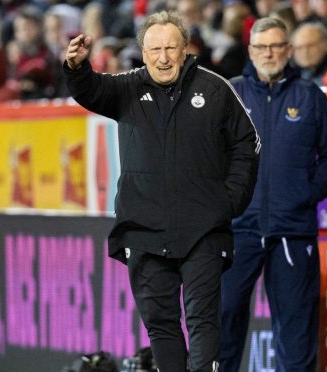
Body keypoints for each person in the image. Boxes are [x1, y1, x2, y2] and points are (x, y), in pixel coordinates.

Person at [63, 10, 260, 372]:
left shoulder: (215, 89)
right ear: (142, 50)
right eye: (155, 49)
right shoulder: (127, 87)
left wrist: (229, 200)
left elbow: (247, 145)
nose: (163, 57)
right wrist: (76, 68)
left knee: (203, 322)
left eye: (171, 47)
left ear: (186, 48)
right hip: (143, 229)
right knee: (161, 324)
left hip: (204, 229)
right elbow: (90, 89)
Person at [220, 17, 327, 372]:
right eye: (261, 46)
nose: (268, 53)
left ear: (289, 51)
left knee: (296, 329)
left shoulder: (310, 97)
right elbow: (205, 155)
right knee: (222, 320)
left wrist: (307, 193)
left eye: (276, 46)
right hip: (237, 229)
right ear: (250, 50)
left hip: (293, 230)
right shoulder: (229, 94)